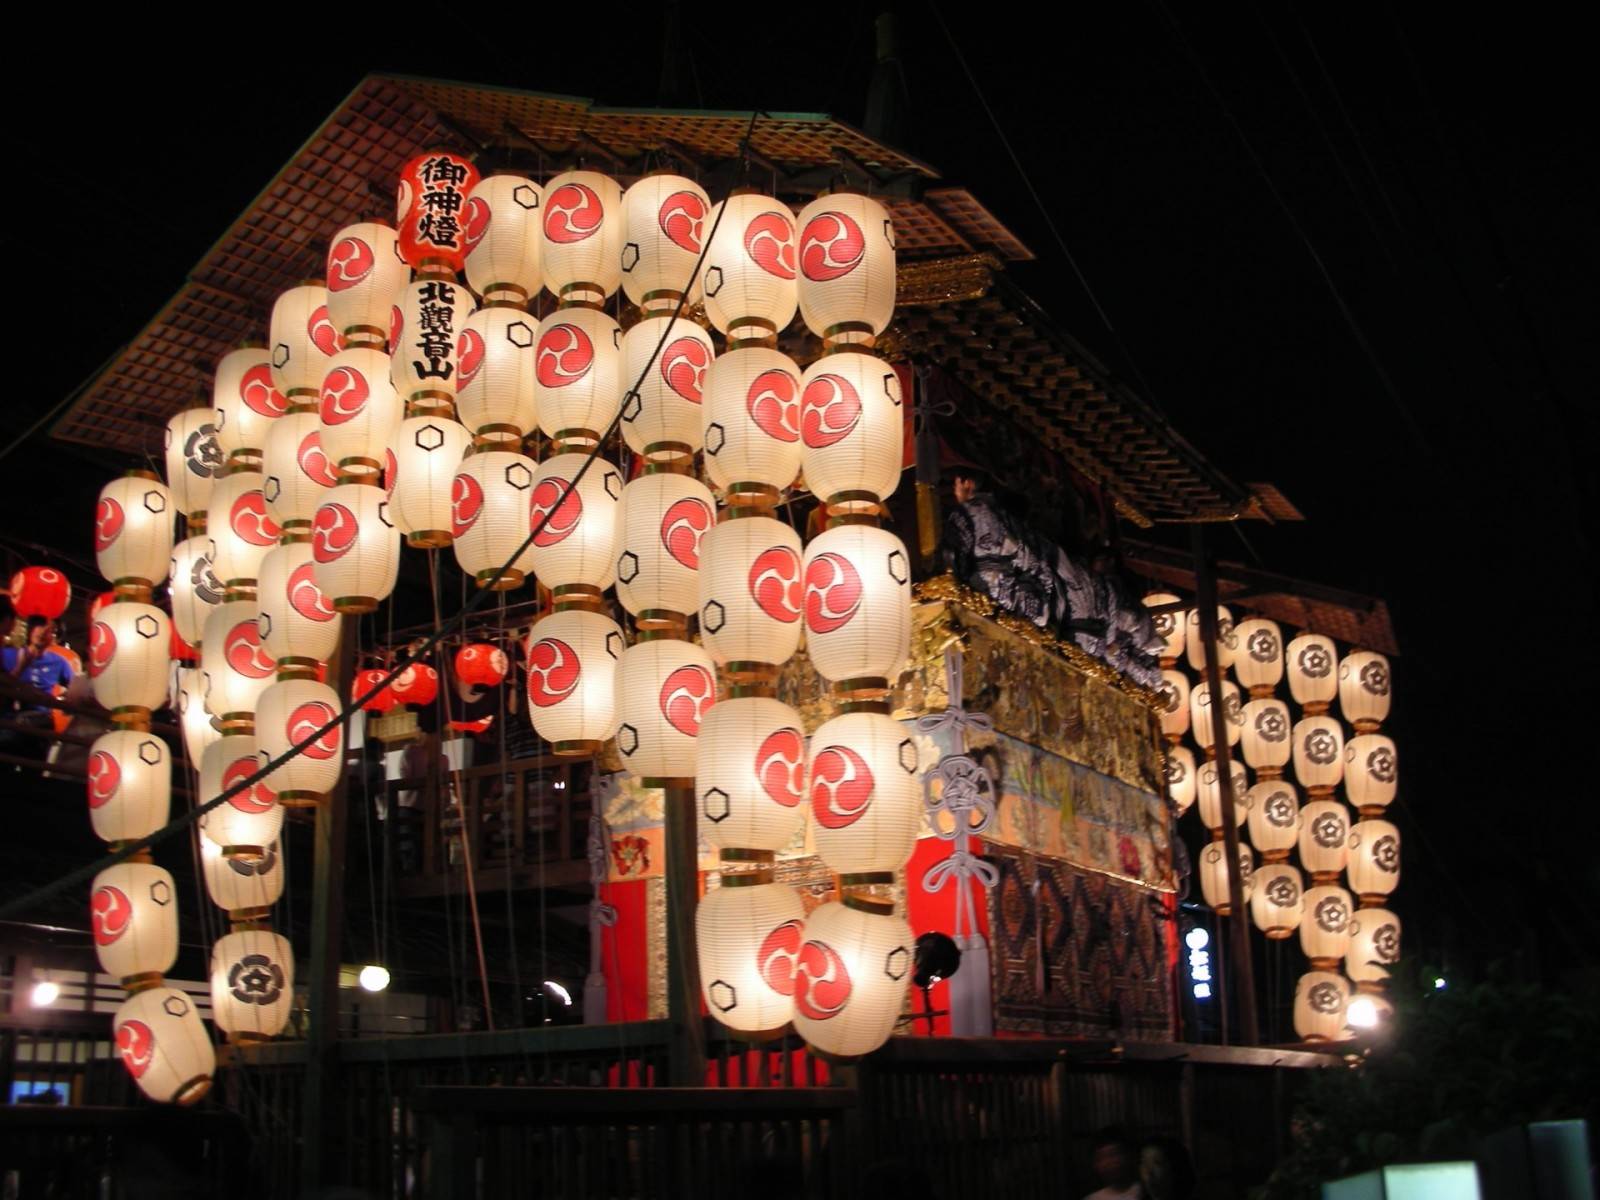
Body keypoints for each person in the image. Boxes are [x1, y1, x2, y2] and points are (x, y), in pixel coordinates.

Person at [1, 616, 74, 754]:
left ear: (55, 637)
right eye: (39, 626)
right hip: (8, 720)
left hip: (40, 721)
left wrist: (64, 699)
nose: (42, 632)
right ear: (31, 629)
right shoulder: (7, 654)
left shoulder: (60, 662)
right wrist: (21, 666)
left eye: (50, 630)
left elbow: (74, 689)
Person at [1083, 1126, 1144, 1199]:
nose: (1108, 1162)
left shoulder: (1145, 1191)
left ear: (1128, 1155)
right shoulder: (1092, 1198)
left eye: (1113, 1154)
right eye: (1101, 1157)